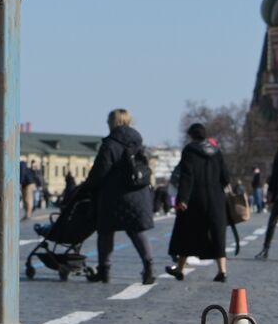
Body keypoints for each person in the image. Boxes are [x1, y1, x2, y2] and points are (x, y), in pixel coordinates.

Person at [84, 108, 156, 284]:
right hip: (138, 194)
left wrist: (87, 186)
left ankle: (104, 270)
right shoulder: (138, 142)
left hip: (113, 196)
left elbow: (101, 171)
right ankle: (149, 267)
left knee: (106, 232)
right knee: (136, 231)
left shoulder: (110, 144)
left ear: (113, 122)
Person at [166, 123, 230, 282]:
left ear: (191, 136)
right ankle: (222, 271)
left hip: (195, 198)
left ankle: (180, 269)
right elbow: (226, 177)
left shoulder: (189, 150)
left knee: (185, 232)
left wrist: (182, 199)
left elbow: (187, 176)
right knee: (217, 235)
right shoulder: (216, 151)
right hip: (216, 198)